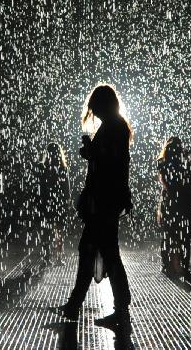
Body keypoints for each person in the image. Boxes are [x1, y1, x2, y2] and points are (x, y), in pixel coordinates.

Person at [58, 84, 133, 326]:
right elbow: (114, 162)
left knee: (96, 251)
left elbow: (109, 163)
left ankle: (94, 306)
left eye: (96, 108)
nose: (95, 113)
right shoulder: (116, 126)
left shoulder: (113, 127)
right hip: (106, 200)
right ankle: (86, 305)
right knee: (101, 251)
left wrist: (92, 152)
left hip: (104, 201)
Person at [156, 137, 191, 277]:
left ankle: (167, 265)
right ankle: (183, 266)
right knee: (184, 237)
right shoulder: (184, 164)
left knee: (168, 235)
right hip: (184, 203)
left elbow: (166, 178)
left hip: (170, 203)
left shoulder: (164, 163)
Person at [35, 142, 72, 264]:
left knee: (46, 231)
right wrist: (67, 201)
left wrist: (39, 201)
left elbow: (40, 187)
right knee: (59, 231)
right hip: (59, 202)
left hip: (47, 202)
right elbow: (66, 188)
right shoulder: (62, 167)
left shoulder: (44, 167)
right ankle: (59, 258)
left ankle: (46, 258)